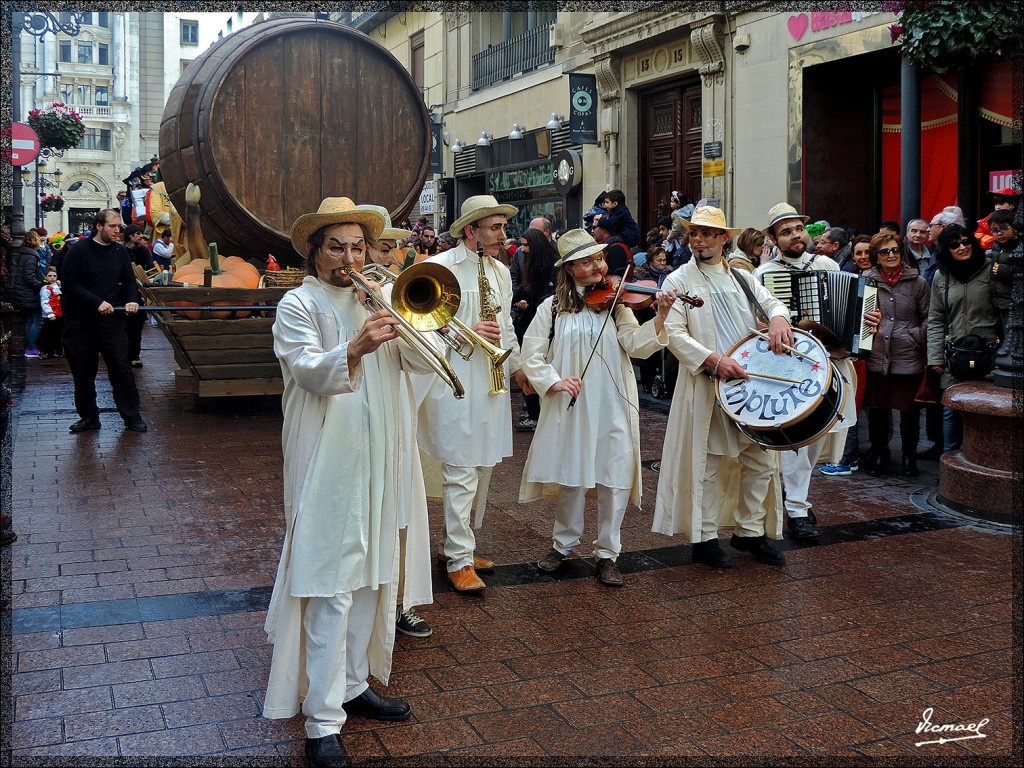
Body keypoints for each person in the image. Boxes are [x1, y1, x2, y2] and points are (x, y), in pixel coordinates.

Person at [263, 198, 433, 768]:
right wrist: (358, 344)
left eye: (359, 246)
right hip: (327, 457)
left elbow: (424, 365)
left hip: (379, 453)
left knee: (372, 574)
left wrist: (411, 328)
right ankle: (322, 720)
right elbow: (308, 369)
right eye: (337, 246)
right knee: (331, 582)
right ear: (313, 251)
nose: (350, 257)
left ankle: (355, 683)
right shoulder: (298, 303)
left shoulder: (377, 296)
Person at [520, 229, 674, 586]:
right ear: (570, 269)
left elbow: (635, 345)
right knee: (573, 474)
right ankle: (563, 544)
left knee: (615, 474)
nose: (598, 267)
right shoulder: (553, 306)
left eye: (599, 259)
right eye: (587, 262)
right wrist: (553, 381)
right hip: (573, 402)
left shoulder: (617, 303)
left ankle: (608, 553)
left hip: (613, 400)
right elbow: (532, 353)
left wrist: (661, 317)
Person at [652, 206, 792, 568]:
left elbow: (772, 303)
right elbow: (675, 335)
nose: (699, 240)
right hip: (708, 383)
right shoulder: (677, 280)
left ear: (723, 239)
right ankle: (705, 537)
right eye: (694, 234)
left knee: (760, 461)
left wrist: (777, 319)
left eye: (707, 234)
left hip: (750, 384)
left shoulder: (742, 277)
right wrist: (713, 361)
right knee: (709, 463)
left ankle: (750, 532)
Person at [417, 195, 532, 593]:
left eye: (503, 226)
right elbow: (422, 325)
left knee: (481, 466)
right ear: (471, 230)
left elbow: (507, 326)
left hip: (491, 380)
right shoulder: (440, 268)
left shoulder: (501, 271)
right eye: (495, 227)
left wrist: (517, 368)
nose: (503, 234)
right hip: (456, 379)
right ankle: (459, 560)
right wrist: (467, 330)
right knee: (461, 468)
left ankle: (457, 547)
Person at [755, 203, 870, 539]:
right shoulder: (763, 276)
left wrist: (866, 323)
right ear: (775, 238)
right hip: (790, 366)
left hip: (830, 363)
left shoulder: (827, 265)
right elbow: (755, 322)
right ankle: (797, 508)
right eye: (786, 231)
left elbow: (851, 312)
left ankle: (795, 498)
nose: (795, 235)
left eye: (798, 228)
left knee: (817, 439)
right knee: (797, 440)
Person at [60, 209, 147, 433]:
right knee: (83, 371)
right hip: (80, 322)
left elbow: (128, 281)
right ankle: (89, 417)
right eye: (112, 226)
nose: (118, 231)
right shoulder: (78, 251)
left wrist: (131, 300)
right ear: (99, 226)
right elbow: (70, 284)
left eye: (119, 227)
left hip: (111, 322)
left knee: (121, 368)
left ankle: (131, 416)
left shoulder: (120, 252)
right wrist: (96, 302)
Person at [860, 233, 931, 478]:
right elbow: (857, 312)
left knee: (909, 412)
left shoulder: (917, 282)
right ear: (876, 257)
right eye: (884, 252)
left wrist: (914, 334)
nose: (891, 255)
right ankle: (879, 452)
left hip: (907, 354)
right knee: (878, 410)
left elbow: (929, 317)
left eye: (895, 250)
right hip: (877, 354)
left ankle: (908, 456)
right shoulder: (867, 279)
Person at [926, 224, 1001, 452]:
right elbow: (936, 319)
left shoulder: (991, 269)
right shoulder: (942, 276)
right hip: (955, 354)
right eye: (955, 244)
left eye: (966, 241)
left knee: (987, 410)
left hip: (989, 353)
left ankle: (982, 461)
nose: (962, 247)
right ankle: (950, 466)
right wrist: (935, 357)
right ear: (946, 249)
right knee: (951, 410)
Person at [511, 228, 558, 433]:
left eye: (526, 245)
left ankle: (535, 414)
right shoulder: (531, 262)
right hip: (529, 318)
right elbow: (524, 287)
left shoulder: (550, 265)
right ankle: (533, 410)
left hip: (541, 323)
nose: (523, 249)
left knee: (536, 363)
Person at [123, 225, 154, 367]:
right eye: (138, 233)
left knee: (136, 326)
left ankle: (135, 356)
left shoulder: (143, 250)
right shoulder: (120, 250)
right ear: (130, 235)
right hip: (122, 292)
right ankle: (122, 355)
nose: (141, 236)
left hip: (138, 291)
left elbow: (149, 266)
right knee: (123, 327)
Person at [10, 230, 44, 358]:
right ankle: (31, 347)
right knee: (37, 320)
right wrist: (41, 284)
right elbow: (29, 277)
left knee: (30, 320)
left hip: (23, 293)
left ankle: (30, 347)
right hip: (29, 294)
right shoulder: (31, 256)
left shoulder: (23, 254)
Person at [37, 266, 64, 358]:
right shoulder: (45, 288)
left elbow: (59, 294)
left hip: (58, 313)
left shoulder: (55, 286)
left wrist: (59, 285)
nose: (52, 277)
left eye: (54, 276)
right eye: (50, 276)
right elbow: (44, 302)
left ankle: (56, 349)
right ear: (45, 277)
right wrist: (49, 313)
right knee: (47, 333)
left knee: (57, 332)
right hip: (50, 314)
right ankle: (43, 351)